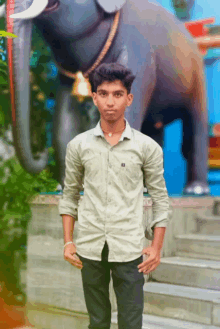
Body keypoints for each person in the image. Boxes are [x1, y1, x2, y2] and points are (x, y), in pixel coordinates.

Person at [59, 63, 170, 329]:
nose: (111, 101)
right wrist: (68, 242)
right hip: (90, 246)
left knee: (131, 323)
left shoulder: (147, 147)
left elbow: (160, 198)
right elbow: (70, 194)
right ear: (94, 97)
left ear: (129, 99)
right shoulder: (78, 145)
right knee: (97, 322)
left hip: (129, 248)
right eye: (104, 93)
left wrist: (156, 247)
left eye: (118, 94)